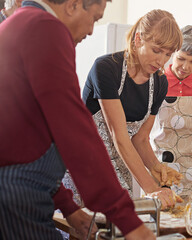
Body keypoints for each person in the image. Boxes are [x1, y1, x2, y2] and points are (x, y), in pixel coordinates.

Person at [0, 0, 155, 239]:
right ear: (73, 5)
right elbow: (74, 131)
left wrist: (68, 206)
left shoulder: (23, 22)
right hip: (15, 192)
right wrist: (128, 221)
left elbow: (34, 136)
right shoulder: (46, 29)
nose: (92, 30)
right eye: (94, 17)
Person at [79, 9, 183, 209]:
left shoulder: (160, 83)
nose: (162, 61)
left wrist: (156, 168)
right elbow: (119, 136)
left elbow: (140, 139)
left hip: (121, 165)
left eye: (168, 54)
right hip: (84, 162)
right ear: (138, 40)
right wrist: (153, 189)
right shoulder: (106, 68)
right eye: (156, 50)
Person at [150, 25, 192, 196]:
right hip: (162, 170)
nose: (185, 67)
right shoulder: (154, 82)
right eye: (181, 58)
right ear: (172, 52)